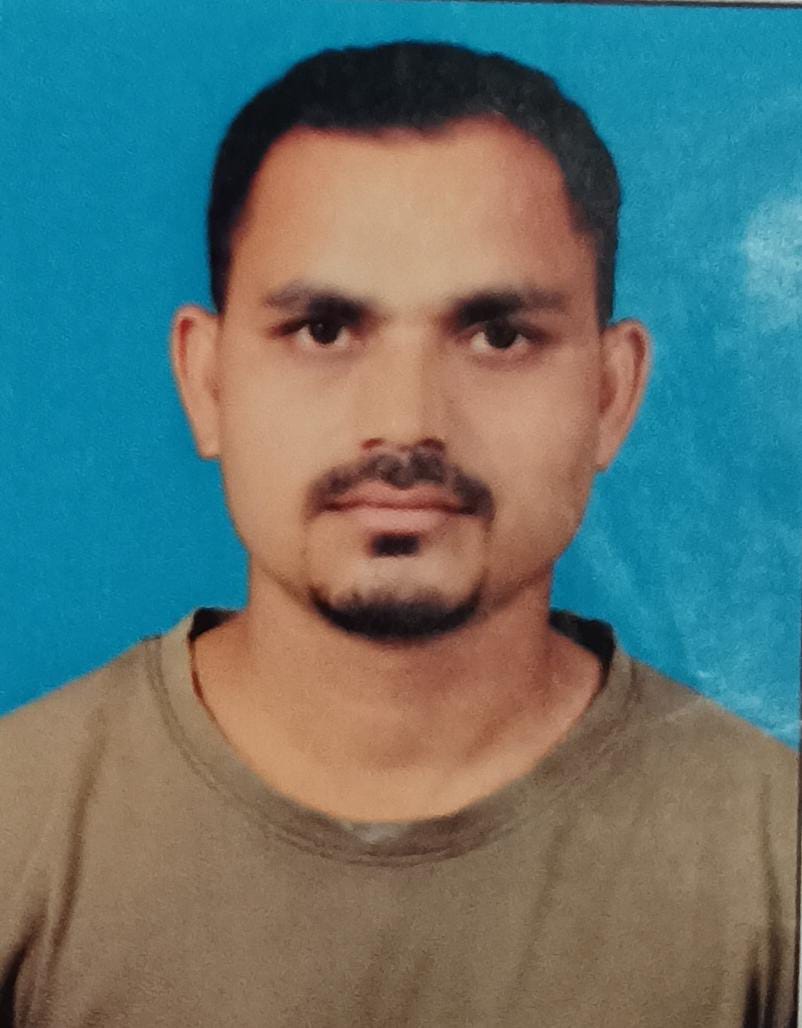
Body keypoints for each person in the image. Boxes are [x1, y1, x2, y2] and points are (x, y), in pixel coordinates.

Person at [0, 40, 796, 1028]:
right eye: (324, 329)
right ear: (206, 382)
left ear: (609, 392)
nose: (407, 422)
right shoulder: (16, 822)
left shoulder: (779, 856)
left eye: (498, 334)